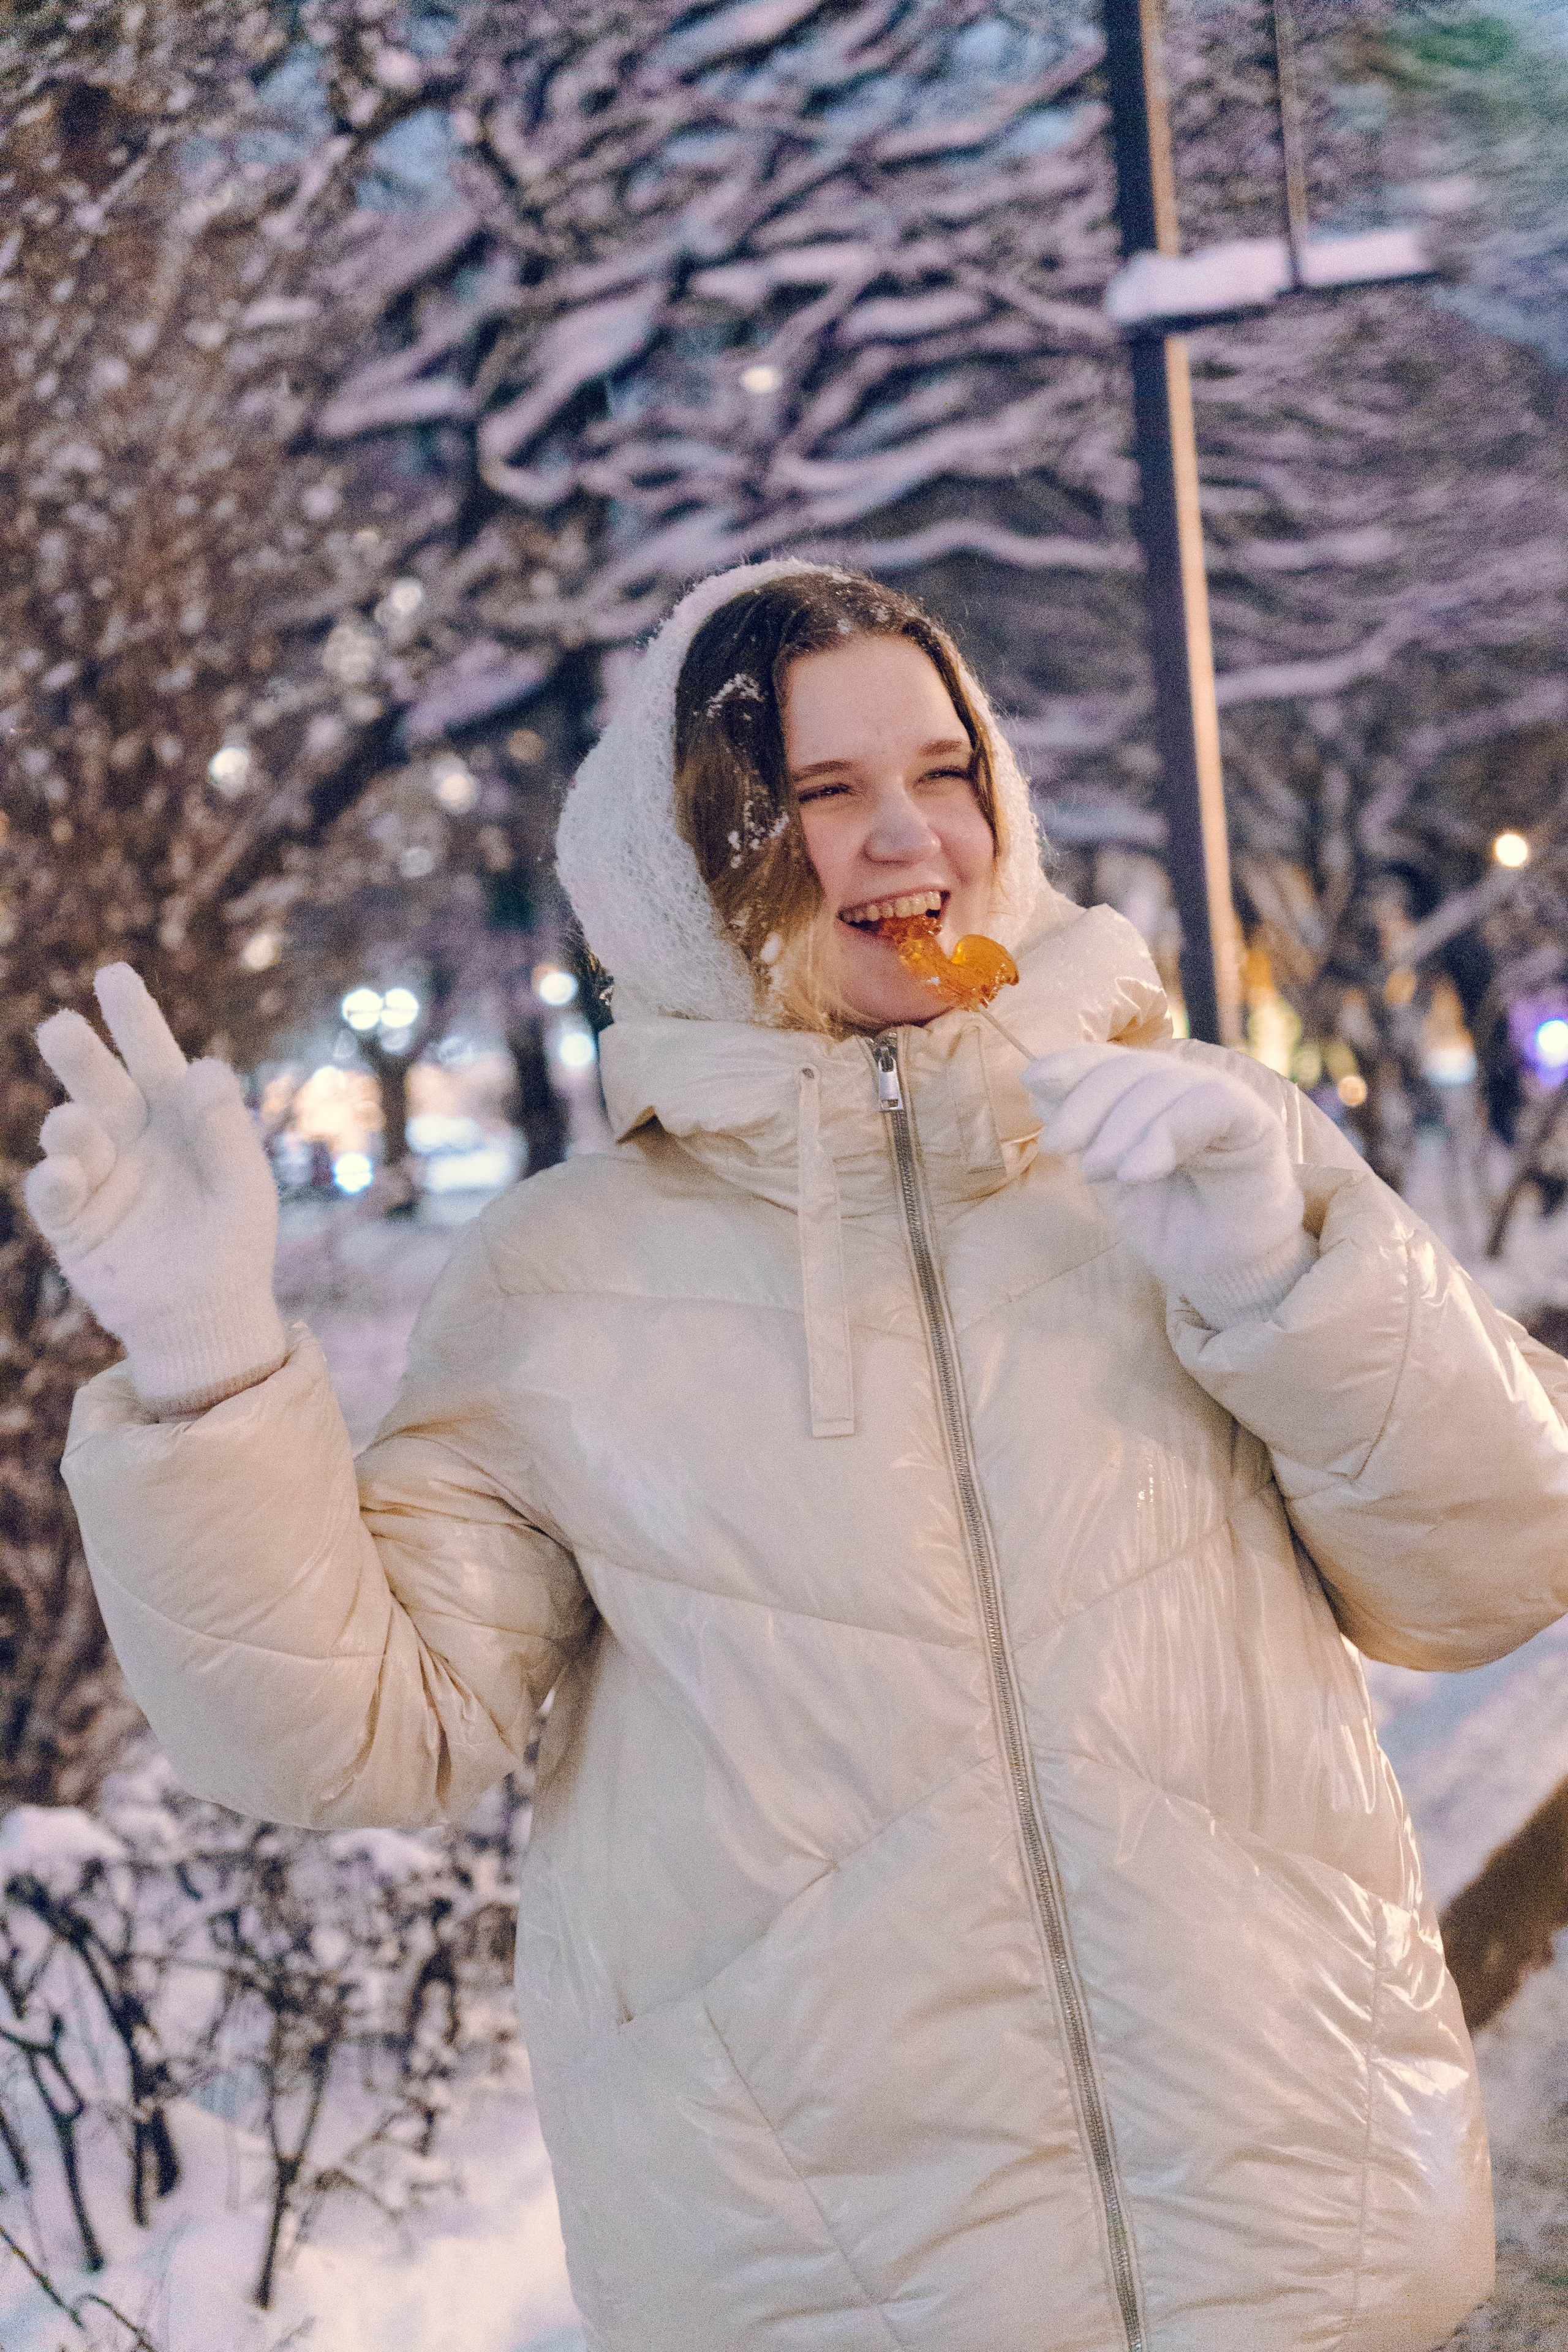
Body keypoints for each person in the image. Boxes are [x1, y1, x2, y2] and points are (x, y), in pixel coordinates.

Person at [27, 558, 1568, 2352]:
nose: (907, 839)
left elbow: (1498, 1566)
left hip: (1316, 2244)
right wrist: (208, 1363)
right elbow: (361, 1738)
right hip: (817, 2280)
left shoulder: (1197, 1145)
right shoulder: (564, 1275)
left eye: (945, 771)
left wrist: (1279, 1268)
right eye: (822, 795)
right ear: (686, 873)